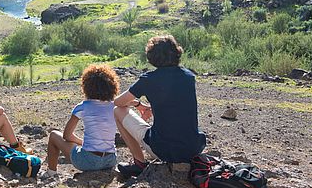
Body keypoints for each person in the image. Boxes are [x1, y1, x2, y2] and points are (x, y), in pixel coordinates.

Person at [114, 35, 206, 178]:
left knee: (117, 112)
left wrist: (137, 104)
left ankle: (139, 162)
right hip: (193, 147)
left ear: (152, 57)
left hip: (164, 149)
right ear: (177, 52)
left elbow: (118, 102)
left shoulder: (148, 79)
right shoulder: (189, 77)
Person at [43, 64, 120, 177]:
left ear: (86, 86)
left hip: (87, 161)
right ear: (111, 86)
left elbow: (67, 136)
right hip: (111, 160)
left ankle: (51, 172)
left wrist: (83, 143)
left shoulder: (83, 106)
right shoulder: (114, 106)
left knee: (54, 135)